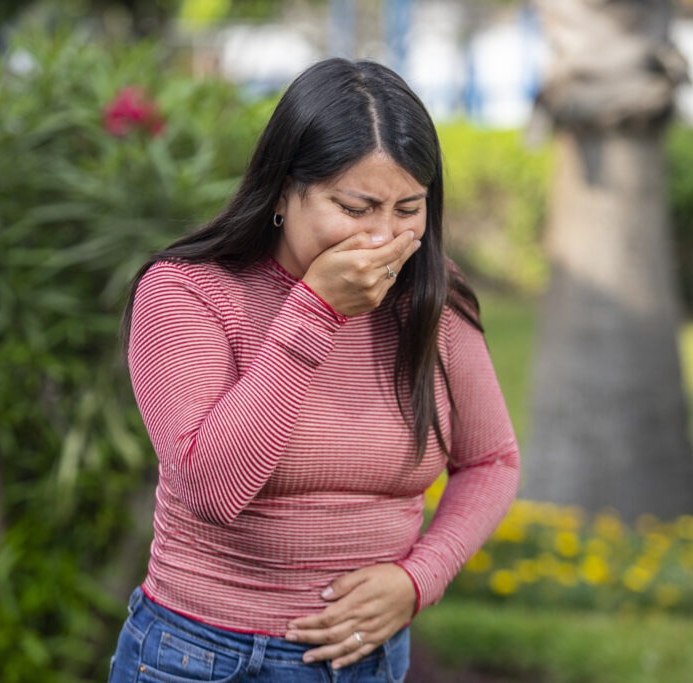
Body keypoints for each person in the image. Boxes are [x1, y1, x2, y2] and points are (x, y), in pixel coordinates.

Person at [109, 57, 520, 683]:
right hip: (202, 658)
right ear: (282, 191)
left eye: (408, 209)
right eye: (356, 208)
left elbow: (491, 461)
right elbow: (212, 488)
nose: (384, 237)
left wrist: (419, 578)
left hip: (367, 661)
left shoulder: (433, 295)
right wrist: (317, 311)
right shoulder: (186, 293)